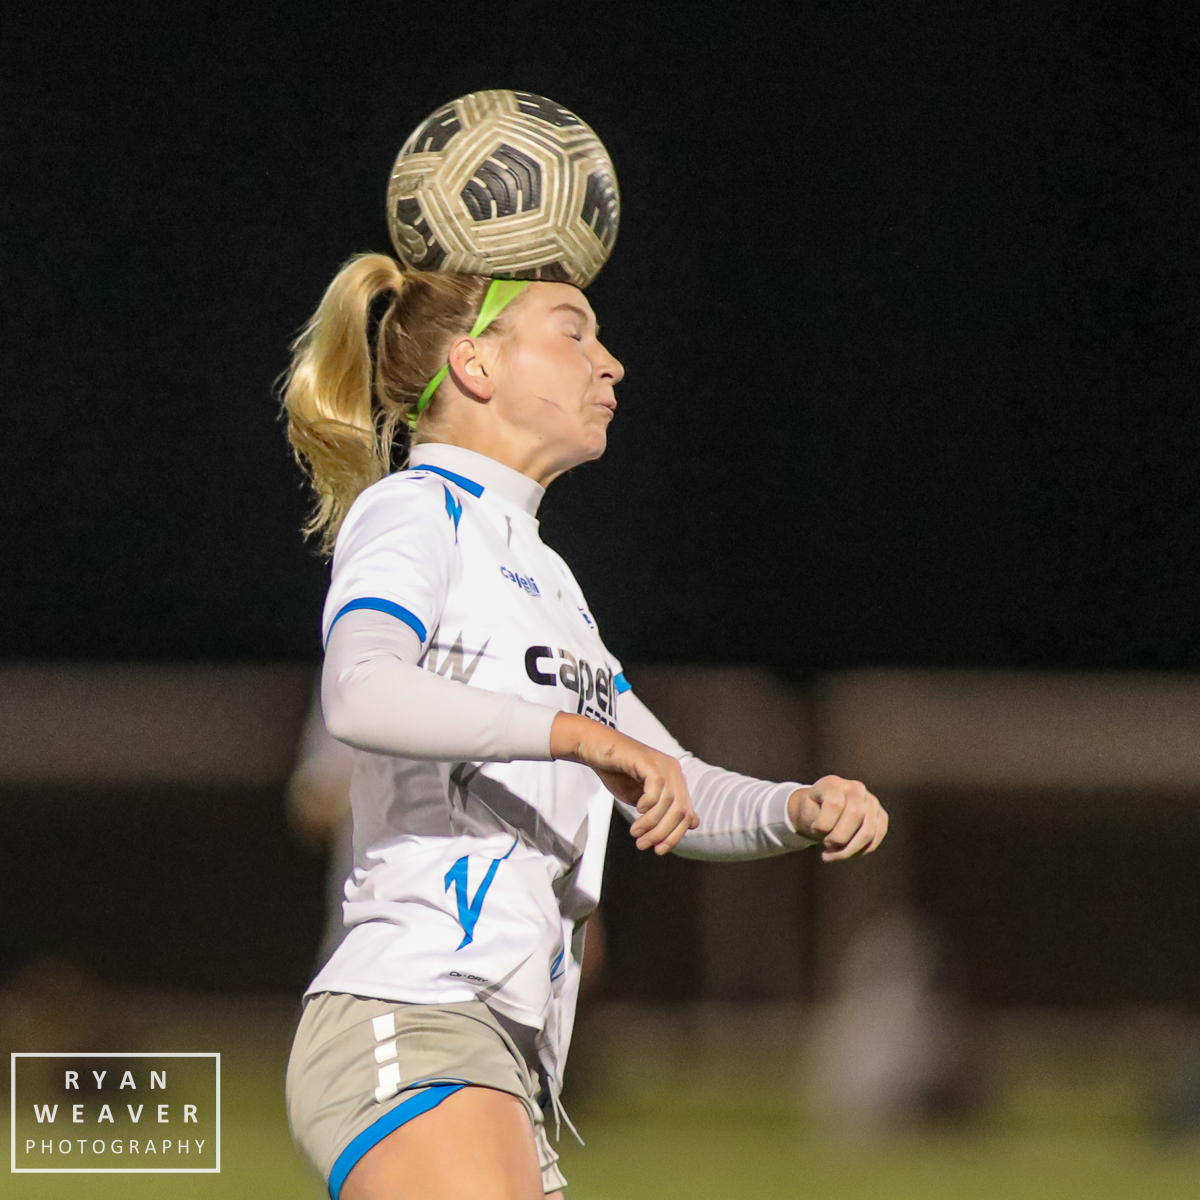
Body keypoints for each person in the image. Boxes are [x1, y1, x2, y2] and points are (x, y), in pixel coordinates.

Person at [281, 255, 889, 1200]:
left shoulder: (550, 584)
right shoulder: (412, 510)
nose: (611, 365)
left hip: (507, 1053)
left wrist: (796, 807)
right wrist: (574, 733)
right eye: (575, 333)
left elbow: (672, 783)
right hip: (417, 1015)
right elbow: (359, 693)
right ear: (476, 366)